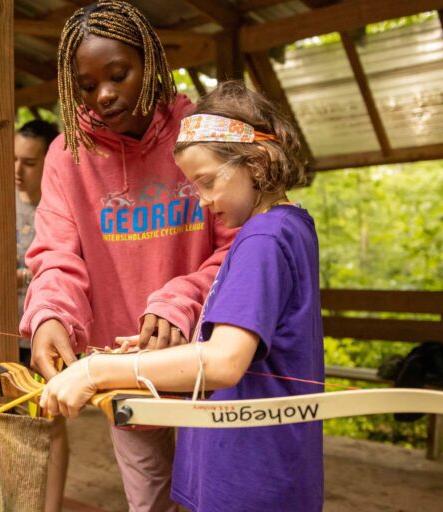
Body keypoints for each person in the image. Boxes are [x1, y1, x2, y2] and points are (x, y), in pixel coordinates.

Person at [39, 81, 324, 511]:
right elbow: (235, 344)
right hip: (257, 470)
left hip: (245, 479)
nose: (204, 202)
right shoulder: (289, 227)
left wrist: (96, 372)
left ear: (258, 162)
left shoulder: (263, 239)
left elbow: (224, 362)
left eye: (208, 182)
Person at [20, 1, 235, 510]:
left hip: (213, 365)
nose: (105, 96)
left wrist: (181, 298)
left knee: (219, 498)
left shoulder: (201, 135)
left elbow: (239, 246)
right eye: (88, 86)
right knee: (149, 503)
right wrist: (51, 314)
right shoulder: (67, 156)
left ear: (152, 61)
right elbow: (55, 253)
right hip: (124, 375)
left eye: (119, 74)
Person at [13, 119, 68, 512]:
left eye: (29, 163)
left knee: (52, 422)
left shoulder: (64, 204)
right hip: (4, 331)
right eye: (14, 159)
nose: (17, 171)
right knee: (12, 424)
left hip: (49, 333)